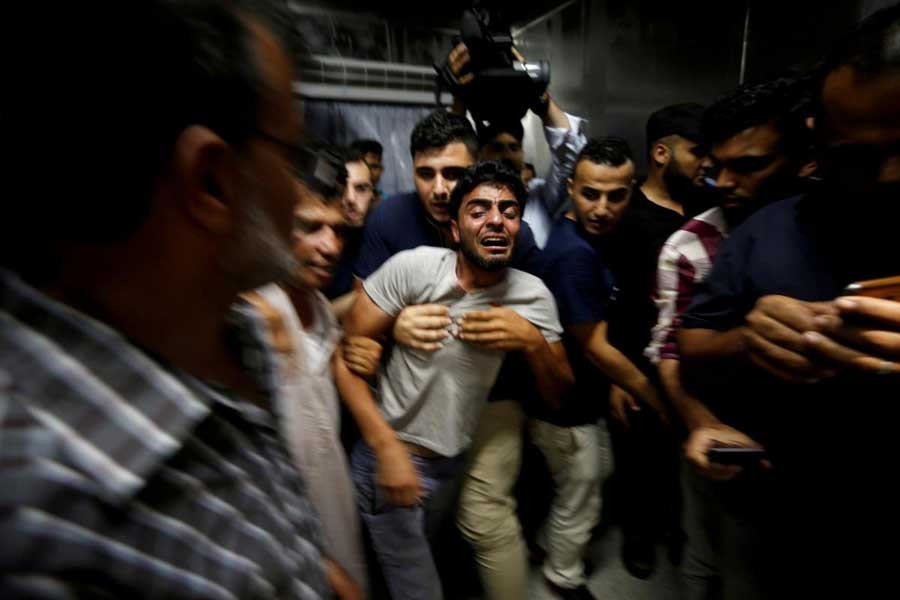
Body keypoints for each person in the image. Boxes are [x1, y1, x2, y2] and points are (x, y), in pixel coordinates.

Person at [0, 0, 331, 597]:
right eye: (293, 157)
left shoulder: (231, 334)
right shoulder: (40, 528)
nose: (303, 194)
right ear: (211, 181)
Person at [678, 5, 900, 596]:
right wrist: (749, 338)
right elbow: (689, 343)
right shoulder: (764, 230)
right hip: (777, 514)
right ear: (818, 143)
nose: (888, 178)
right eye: (856, 156)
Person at [335, 161, 573, 600]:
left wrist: (533, 342)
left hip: (451, 461)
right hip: (389, 455)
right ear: (455, 227)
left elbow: (559, 398)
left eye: (508, 210)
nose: (496, 219)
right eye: (479, 210)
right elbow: (347, 357)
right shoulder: (413, 269)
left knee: (406, 566)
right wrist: (386, 448)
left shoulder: (533, 297)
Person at [642, 76, 816, 600]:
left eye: (750, 166)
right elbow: (671, 351)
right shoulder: (689, 246)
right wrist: (704, 425)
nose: (725, 183)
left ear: (804, 157)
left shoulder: (834, 226)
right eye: (717, 168)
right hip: (721, 440)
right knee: (713, 555)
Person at [536, 138, 668, 600]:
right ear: (571, 187)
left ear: (632, 190)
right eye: (591, 193)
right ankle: (562, 575)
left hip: (580, 397)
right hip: (564, 405)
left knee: (588, 479)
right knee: (583, 490)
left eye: (616, 196)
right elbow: (593, 346)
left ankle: (550, 542)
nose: (603, 208)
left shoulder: (590, 239)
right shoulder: (574, 254)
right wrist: (659, 402)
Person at [247, 152, 380, 599]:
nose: (332, 247)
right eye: (310, 227)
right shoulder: (252, 316)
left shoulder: (320, 307)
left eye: (338, 229)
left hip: (331, 508)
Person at [600, 103, 707, 577]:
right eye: (696, 152)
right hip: (637, 365)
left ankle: (671, 526)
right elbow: (615, 303)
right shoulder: (629, 216)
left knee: (673, 458)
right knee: (637, 460)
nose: (705, 163)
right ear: (662, 152)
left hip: (689, 363)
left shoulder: (704, 210)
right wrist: (616, 378)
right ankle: (637, 537)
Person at [447, 41, 588, 248]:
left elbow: (570, 151)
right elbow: (448, 156)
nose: (507, 155)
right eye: (497, 147)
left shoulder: (540, 197)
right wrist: (459, 97)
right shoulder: (465, 198)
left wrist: (539, 96)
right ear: (480, 155)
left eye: (514, 147)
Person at [325, 147, 376, 307]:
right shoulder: (316, 243)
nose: (351, 199)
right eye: (341, 189)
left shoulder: (378, 239)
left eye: (361, 188)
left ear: (373, 195)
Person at [351, 138, 385, 204]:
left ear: (381, 170)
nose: (368, 172)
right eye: (362, 167)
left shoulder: (387, 204)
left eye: (374, 167)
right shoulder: (344, 202)